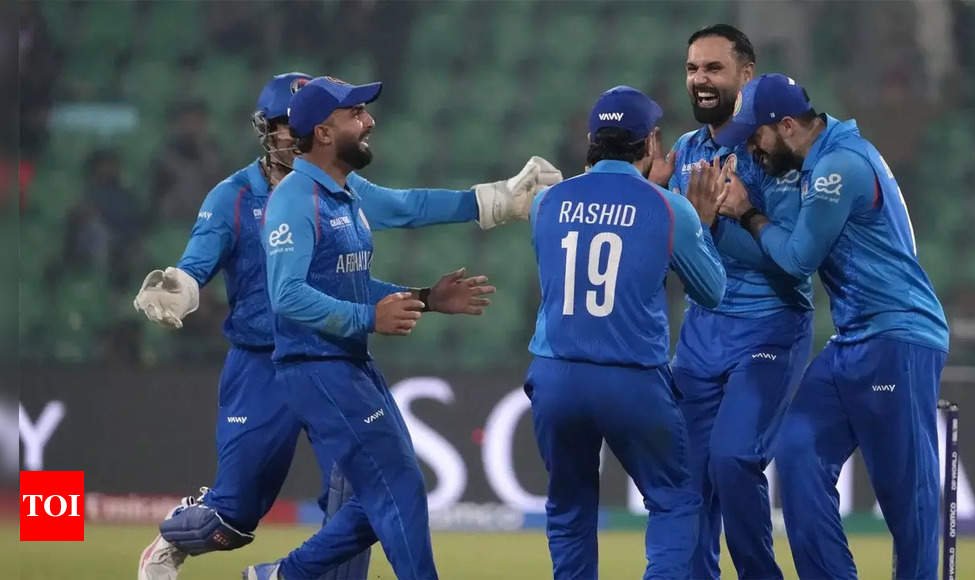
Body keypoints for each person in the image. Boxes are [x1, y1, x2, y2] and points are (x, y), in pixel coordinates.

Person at [134, 72, 561, 580]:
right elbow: (200, 264)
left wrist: (494, 201)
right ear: (275, 130)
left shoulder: (340, 187)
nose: (289, 132)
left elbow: (405, 208)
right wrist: (179, 286)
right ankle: (178, 537)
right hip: (261, 367)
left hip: (334, 355)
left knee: (368, 495)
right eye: (282, 124)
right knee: (233, 518)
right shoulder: (235, 196)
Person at [714, 73, 950, 580]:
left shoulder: (837, 167)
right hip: (853, 339)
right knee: (797, 450)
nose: (752, 148)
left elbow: (798, 258)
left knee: (905, 494)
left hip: (897, 336)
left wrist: (747, 212)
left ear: (788, 126)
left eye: (756, 135)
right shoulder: (826, 157)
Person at [525, 85, 727, 580]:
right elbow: (712, 291)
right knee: (675, 500)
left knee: (569, 508)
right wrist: (697, 224)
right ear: (651, 142)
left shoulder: (546, 203)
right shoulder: (669, 209)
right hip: (631, 378)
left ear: (591, 140)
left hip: (556, 375)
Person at [648, 24, 813, 580]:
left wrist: (717, 224)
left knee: (734, 458)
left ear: (747, 74)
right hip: (701, 334)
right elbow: (673, 254)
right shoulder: (685, 152)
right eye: (692, 68)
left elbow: (792, 258)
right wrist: (654, 196)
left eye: (714, 68)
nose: (700, 79)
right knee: (687, 479)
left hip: (769, 327)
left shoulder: (773, 150)